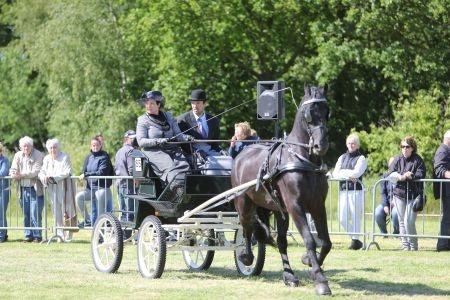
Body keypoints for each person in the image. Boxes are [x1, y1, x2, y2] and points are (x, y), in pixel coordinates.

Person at [136, 90, 192, 199]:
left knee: (186, 168)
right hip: (154, 152)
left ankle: (187, 196)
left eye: (151, 103)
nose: (148, 106)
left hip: (173, 150)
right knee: (171, 169)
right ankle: (175, 196)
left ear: (158, 104)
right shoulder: (142, 120)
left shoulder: (169, 117)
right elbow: (141, 141)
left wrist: (187, 137)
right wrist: (158, 141)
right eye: (146, 103)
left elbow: (178, 135)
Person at [389, 136, 426, 251]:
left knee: (408, 221)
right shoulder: (397, 159)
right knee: (401, 222)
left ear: (412, 148)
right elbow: (390, 172)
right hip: (399, 194)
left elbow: (421, 173)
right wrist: (400, 176)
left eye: (407, 146)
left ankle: (414, 246)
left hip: (413, 195)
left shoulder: (418, 160)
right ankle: (405, 246)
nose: (404, 149)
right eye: (402, 146)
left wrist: (412, 176)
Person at [331, 133, 367, 250]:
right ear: (346, 144)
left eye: (353, 143)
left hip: (356, 191)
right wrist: (348, 174)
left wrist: (343, 173)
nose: (351, 145)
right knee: (342, 218)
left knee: (356, 217)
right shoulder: (342, 157)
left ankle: (355, 242)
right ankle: (356, 238)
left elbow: (356, 173)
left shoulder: (361, 158)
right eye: (349, 143)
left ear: (357, 145)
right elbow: (335, 174)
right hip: (343, 191)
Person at [39, 139, 77, 242]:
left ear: (58, 147)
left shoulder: (64, 157)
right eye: (51, 148)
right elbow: (42, 171)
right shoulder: (46, 158)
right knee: (56, 212)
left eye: (55, 147)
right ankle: (60, 235)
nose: (53, 149)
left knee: (67, 210)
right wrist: (43, 177)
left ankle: (69, 235)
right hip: (52, 189)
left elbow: (67, 172)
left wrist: (52, 177)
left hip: (65, 187)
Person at [9, 136, 44, 243]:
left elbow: (36, 171)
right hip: (22, 188)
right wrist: (13, 174)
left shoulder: (38, 154)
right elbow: (13, 168)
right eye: (23, 146)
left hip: (35, 188)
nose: (26, 148)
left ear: (31, 146)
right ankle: (28, 236)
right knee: (26, 213)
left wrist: (21, 175)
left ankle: (37, 236)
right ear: (20, 147)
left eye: (28, 146)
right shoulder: (18, 155)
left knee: (35, 212)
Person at [76, 137, 114, 227]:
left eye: (97, 145)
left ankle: (101, 229)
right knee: (79, 197)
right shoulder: (88, 157)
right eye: (93, 145)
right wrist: (84, 174)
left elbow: (101, 172)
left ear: (100, 145)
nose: (95, 147)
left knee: (101, 212)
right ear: (90, 146)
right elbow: (83, 171)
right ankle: (88, 220)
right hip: (90, 189)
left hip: (101, 188)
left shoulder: (104, 157)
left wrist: (87, 174)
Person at [177, 89, 221, 157]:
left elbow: (215, 143)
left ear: (205, 103)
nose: (195, 106)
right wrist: (196, 153)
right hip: (192, 156)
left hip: (211, 154)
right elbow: (182, 144)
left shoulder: (214, 120)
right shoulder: (182, 120)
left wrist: (219, 152)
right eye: (193, 103)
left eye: (198, 103)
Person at [115, 130, 136, 236]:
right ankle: (127, 234)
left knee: (123, 210)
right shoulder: (131, 151)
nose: (133, 140)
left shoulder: (119, 151)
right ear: (126, 139)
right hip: (129, 184)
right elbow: (132, 168)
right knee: (130, 210)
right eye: (132, 138)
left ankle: (123, 234)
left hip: (120, 183)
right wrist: (136, 179)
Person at [433, 130, 450, 251]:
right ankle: (442, 244)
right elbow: (439, 169)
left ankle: (445, 243)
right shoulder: (442, 150)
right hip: (446, 190)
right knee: (447, 217)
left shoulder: (445, 150)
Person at [374, 157, 399, 236]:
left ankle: (396, 233)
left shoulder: (400, 175)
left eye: (394, 163)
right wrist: (385, 205)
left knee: (395, 213)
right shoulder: (385, 176)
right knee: (378, 212)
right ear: (388, 164)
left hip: (399, 202)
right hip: (387, 202)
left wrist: (395, 201)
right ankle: (383, 233)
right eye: (391, 163)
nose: (392, 165)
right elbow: (383, 192)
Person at [0, 142, 10, 243]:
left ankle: (1, 236)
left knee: (1, 213)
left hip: (3, 190)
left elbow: (2, 172)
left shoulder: (5, 160)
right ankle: (4, 234)